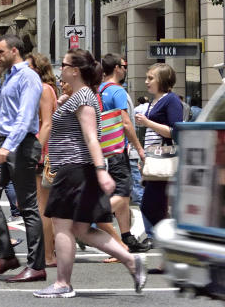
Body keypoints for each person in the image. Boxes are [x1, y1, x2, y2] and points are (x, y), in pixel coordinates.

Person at [34, 49, 146, 298]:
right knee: (82, 229)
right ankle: (131, 261)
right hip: (78, 169)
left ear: (75, 71)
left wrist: (100, 170)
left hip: (75, 169)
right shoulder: (79, 96)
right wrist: (63, 104)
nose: (59, 68)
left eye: (63, 64)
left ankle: (63, 283)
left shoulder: (83, 97)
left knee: (62, 226)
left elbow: (91, 137)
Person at [0, 35, 46, 282]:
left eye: (0, 52)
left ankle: (36, 265)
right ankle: (6, 255)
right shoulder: (9, 77)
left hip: (21, 144)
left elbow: (26, 117)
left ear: (14, 51)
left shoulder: (29, 77)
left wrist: (8, 147)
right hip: (6, 143)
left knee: (28, 206)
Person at [99, 54, 149, 254]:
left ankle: (126, 237)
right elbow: (126, 123)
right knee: (124, 191)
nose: (125, 69)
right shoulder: (117, 91)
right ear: (117, 68)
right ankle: (89, 221)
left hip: (102, 150)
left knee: (121, 195)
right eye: (124, 66)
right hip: (118, 149)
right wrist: (139, 147)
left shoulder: (99, 90)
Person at [134, 63, 183, 238]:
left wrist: (147, 122)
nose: (146, 81)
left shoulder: (171, 100)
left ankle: (160, 237)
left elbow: (175, 131)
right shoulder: (155, 101)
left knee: (149, 204)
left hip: (163, 158)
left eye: (151, 78)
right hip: (153, 158)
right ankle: (161, 237)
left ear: (162, 80)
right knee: (155, 203)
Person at [25, 52, 59, 268]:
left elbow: (47, 124)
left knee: (42, 206)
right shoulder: (41, 89)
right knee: (42, 205)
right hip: (43, 151)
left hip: (43, 153)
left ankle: (48, 255)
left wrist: (37, 151)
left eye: (29, 67)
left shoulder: (44, 90)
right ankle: (50, 250)